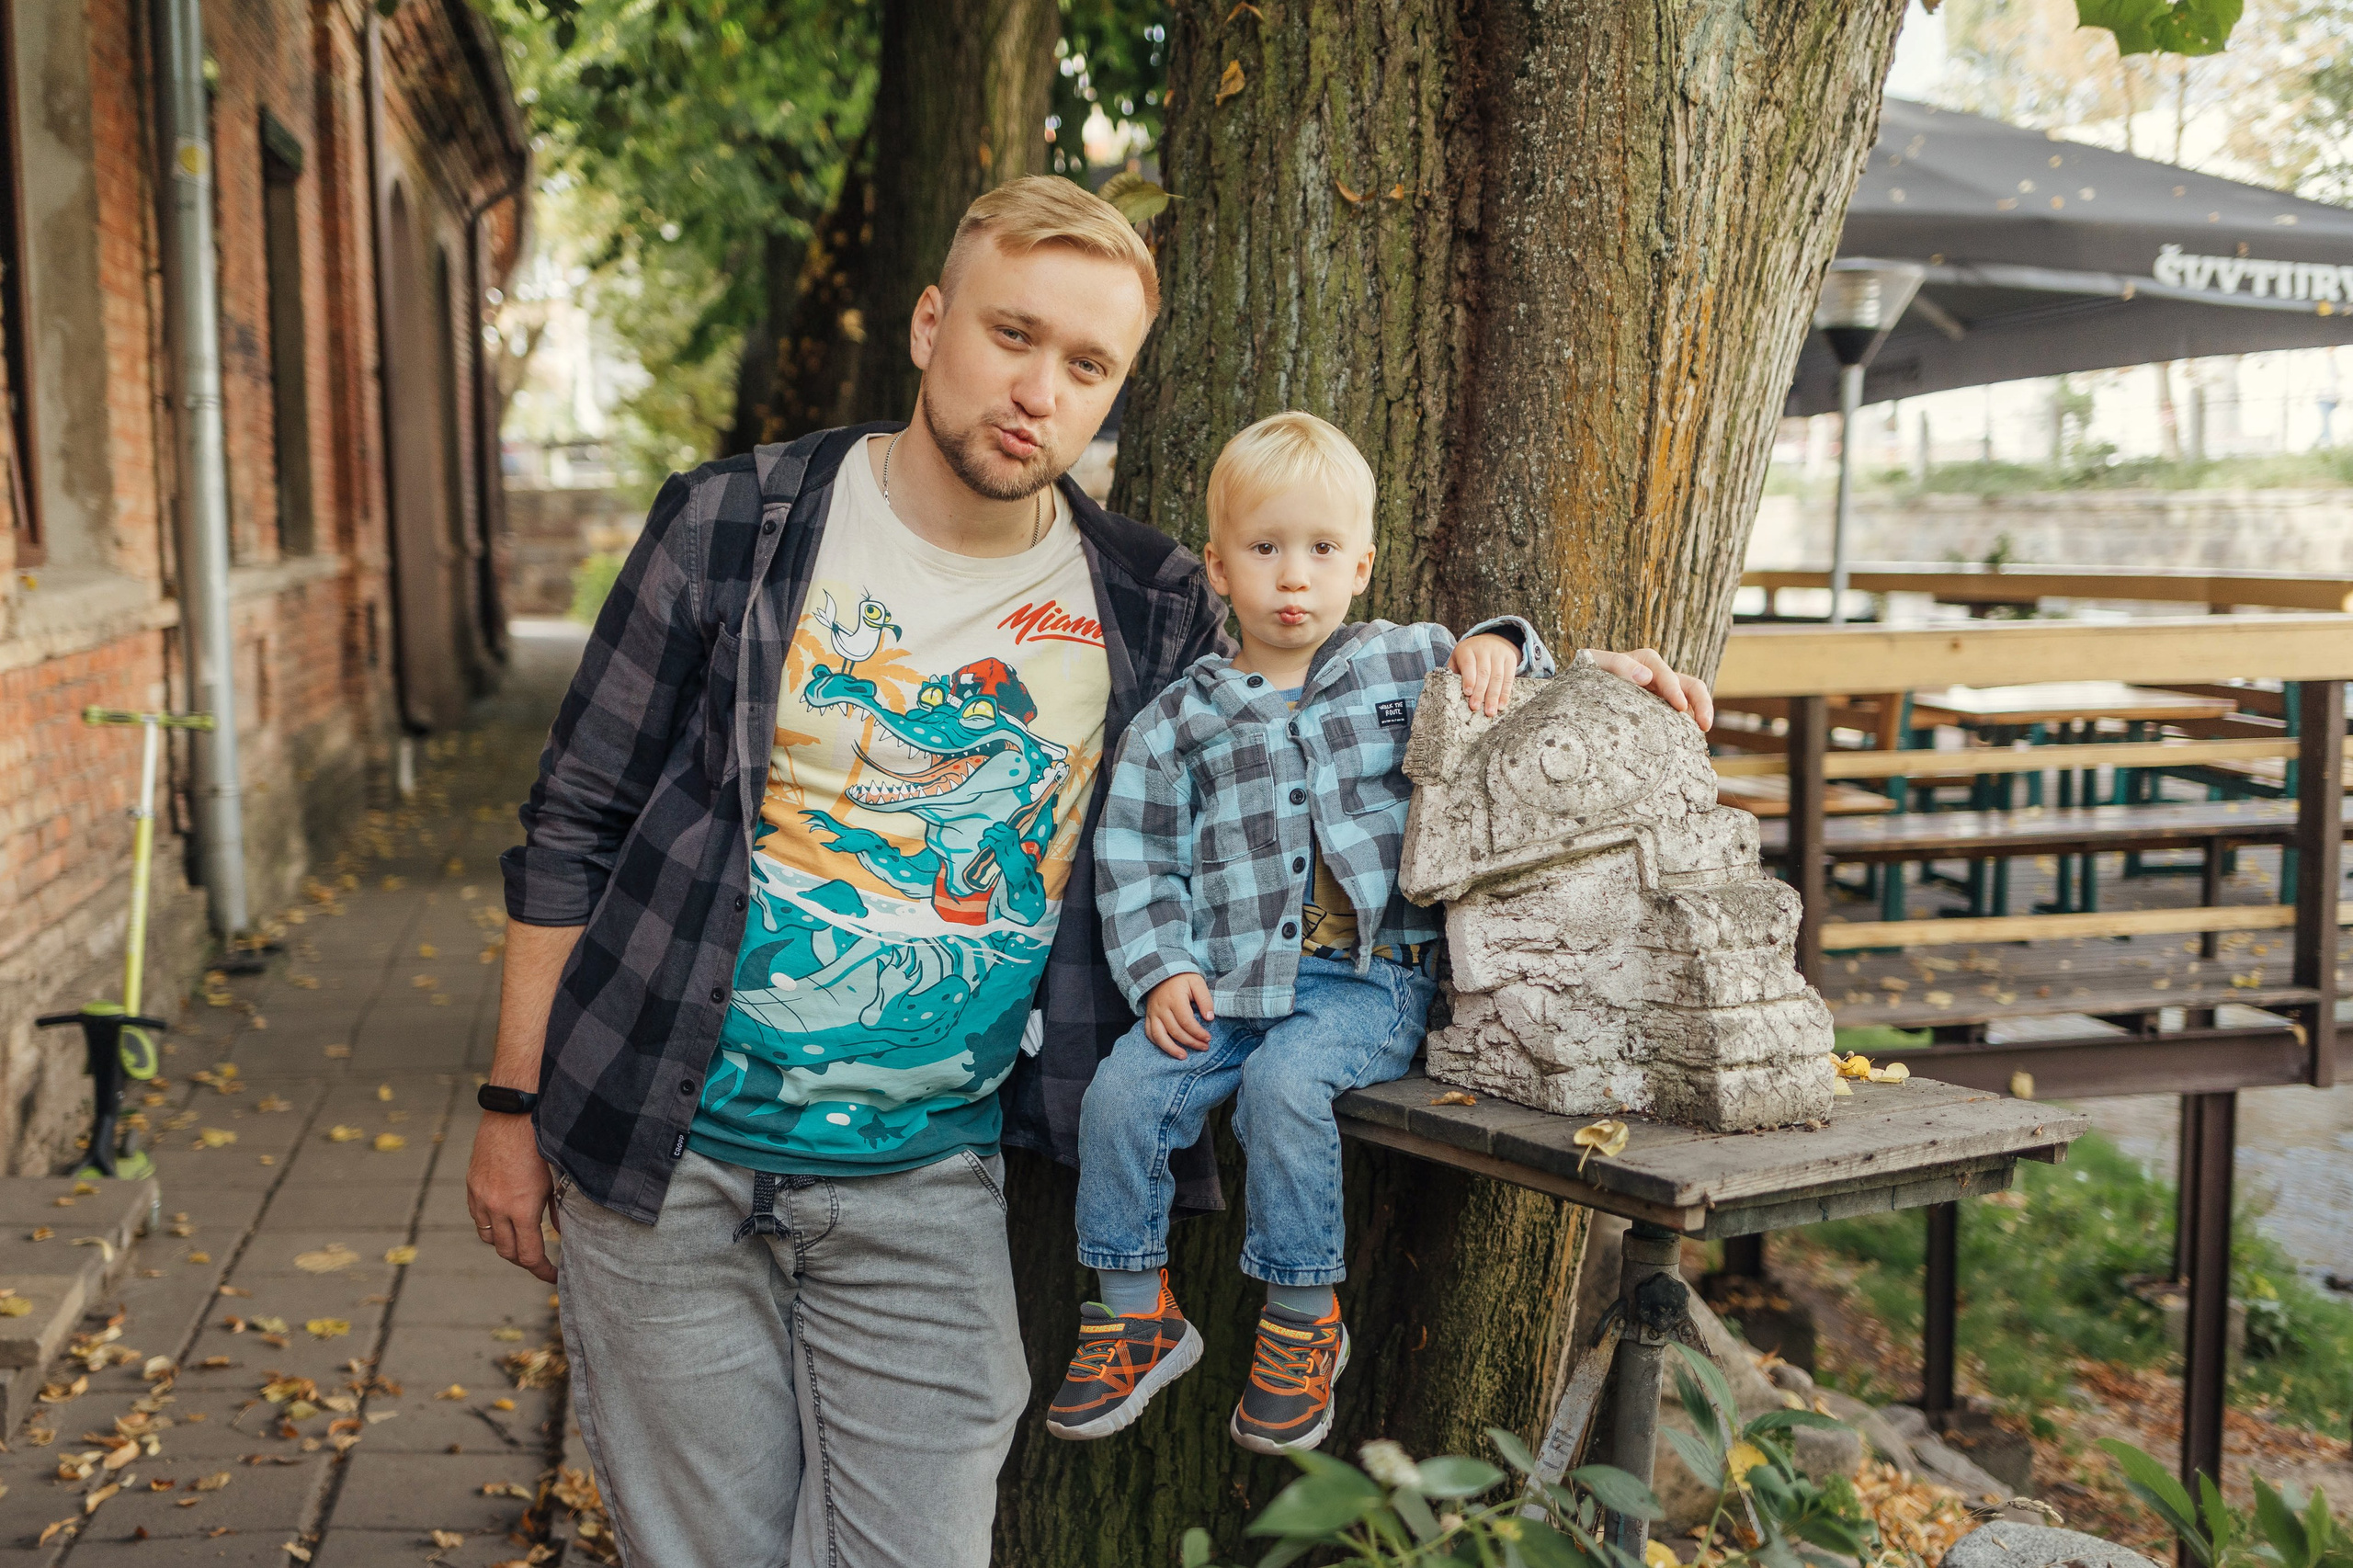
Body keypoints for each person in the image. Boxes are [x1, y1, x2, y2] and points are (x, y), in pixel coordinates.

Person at [467, 176, 1224, 1568]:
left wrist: (1521, 676)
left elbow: (1315, 694)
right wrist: (510, 1105)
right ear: (932, 324)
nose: (1037, 388)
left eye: (1086, 365)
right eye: (1013, 334)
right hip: (663, 1161)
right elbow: (573, 816)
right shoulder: (734, 524)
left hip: (929, 1183)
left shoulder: (1148, 602)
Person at [1046, 412, 1708, 1455]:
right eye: (1264, 549)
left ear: (1361, 563)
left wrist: (1505, 644)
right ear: (1219, 567)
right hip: (1225, 982)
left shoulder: (1403, 663)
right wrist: (1161, 966)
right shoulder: (1180, 720)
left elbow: (1524, 692)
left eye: (1320, 550)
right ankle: (1134, 1306)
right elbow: (1135, 858)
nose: (1292, 577)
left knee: (1283, 1088)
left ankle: (1304, 1321)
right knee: (1125, 1088)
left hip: (1366, 983)